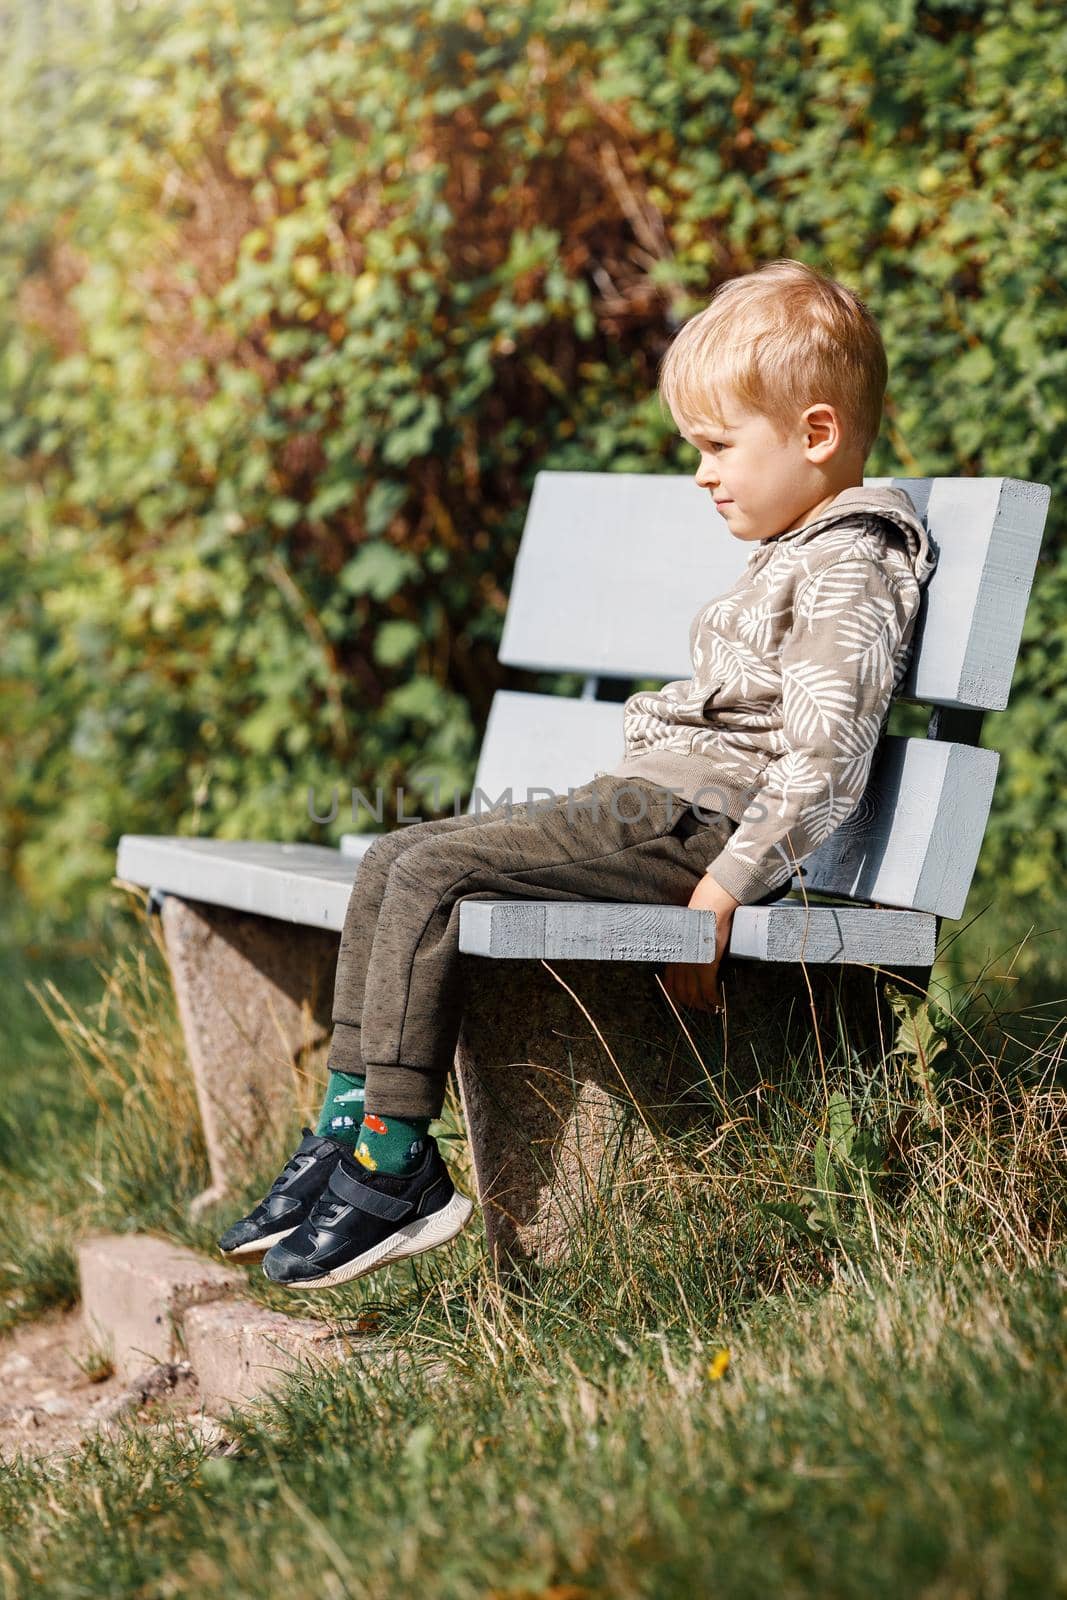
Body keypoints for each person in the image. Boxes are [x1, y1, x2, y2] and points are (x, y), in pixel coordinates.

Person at [216, 258, 937, 1290]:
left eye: (718, 446)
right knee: (397, 856)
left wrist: (728, 883)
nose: (701, 473)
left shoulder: (849, 560)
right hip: (655, 805)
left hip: (693, 821)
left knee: (429, 877)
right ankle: (348, 1135)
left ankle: (394, 1168)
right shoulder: (801, 545)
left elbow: (825, 755)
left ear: (815, 436)